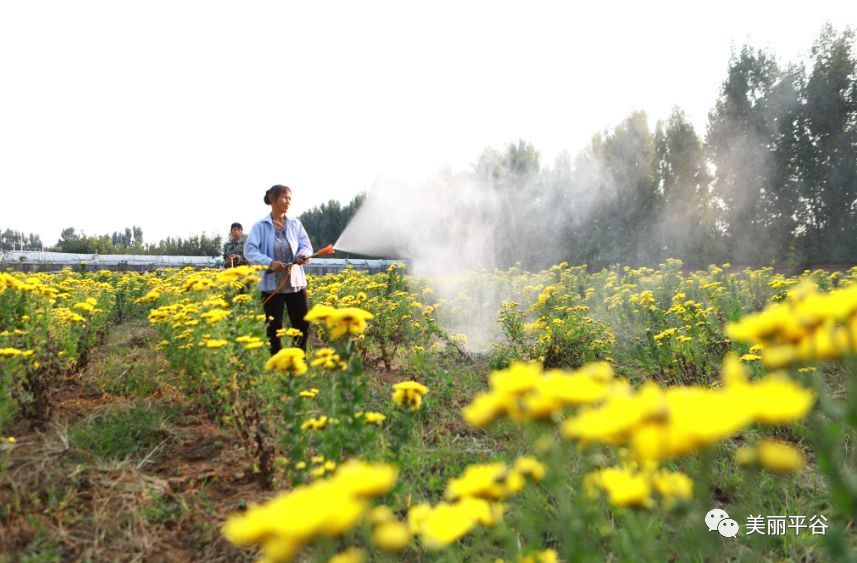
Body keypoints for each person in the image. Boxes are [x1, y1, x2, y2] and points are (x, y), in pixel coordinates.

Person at [244, 185, 313, 353]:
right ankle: (276, 362)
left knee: (302, 323)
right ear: (273, 199)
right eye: (284, 197)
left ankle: (298, 359)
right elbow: (250, 250)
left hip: (295, 283)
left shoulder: (295, 224)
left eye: (290, 198)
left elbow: (306, 246)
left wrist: (302, 255)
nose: (288, 201)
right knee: (273, 327)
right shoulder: (260, 226)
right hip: (271, 286)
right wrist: (269, 263)